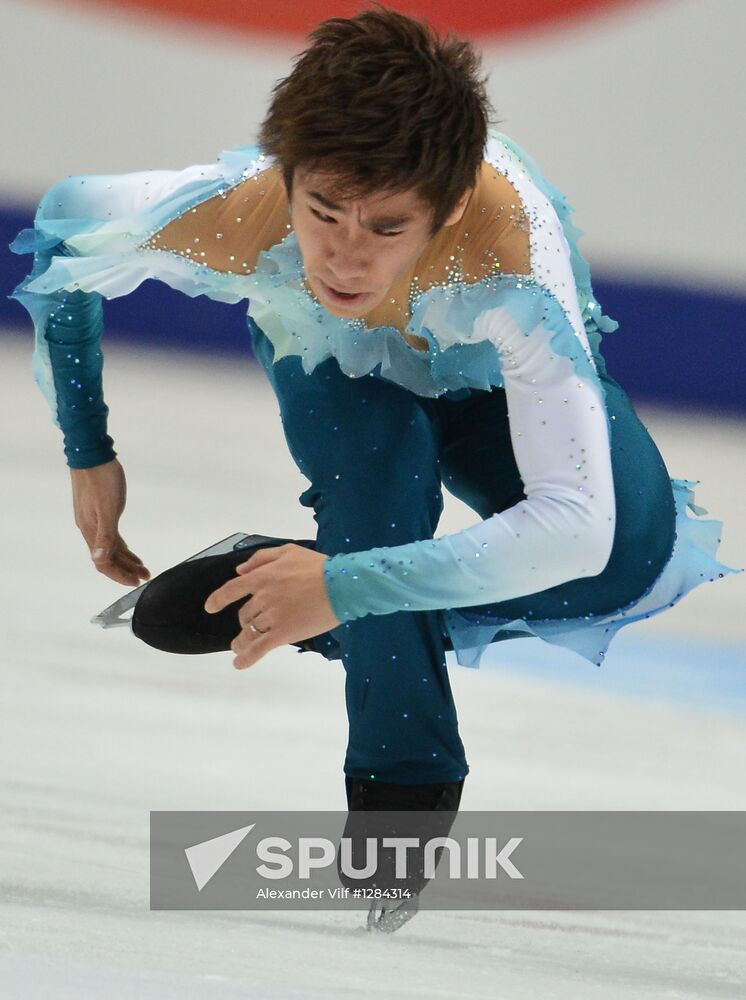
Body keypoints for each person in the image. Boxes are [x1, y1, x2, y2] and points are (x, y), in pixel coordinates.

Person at [9, 4, 735, 913]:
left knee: (626, 558)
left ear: (454, 205)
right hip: (333, 364)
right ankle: (401, 785)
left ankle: (288, 580)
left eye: (388, 227)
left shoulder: (513, 264)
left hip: (491, 382)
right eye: (322, 212)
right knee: (377, 508)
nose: (345, 257)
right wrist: (89, 448)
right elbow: (66, 226)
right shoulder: (237, 213)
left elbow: (579, 530)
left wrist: (343, 589)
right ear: (288, 176)